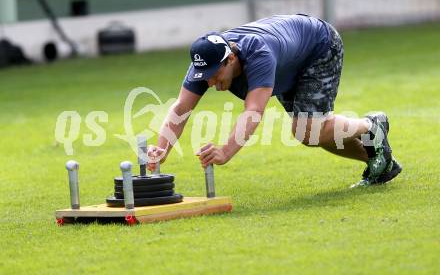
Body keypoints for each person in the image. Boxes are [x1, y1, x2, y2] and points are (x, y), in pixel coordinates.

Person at [147, 14, 402, 187]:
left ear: (231, 59)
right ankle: (380, 163)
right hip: (288, 62)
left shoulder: (258, 55)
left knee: (308, 131)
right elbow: (181, 107)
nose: (210, 83)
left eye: (214, 76)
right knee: (313, 134)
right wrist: (162, 149)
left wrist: (225, 151)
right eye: (205, 78)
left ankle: (371, 126)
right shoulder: (206, 63)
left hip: (318, 47)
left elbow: (254, 111)